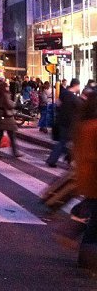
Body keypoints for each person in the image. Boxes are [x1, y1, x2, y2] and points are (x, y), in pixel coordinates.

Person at [72, 92, 97, 270]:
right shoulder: (94, 127)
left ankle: (86, 257)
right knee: (94, 223)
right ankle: (87, 258)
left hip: (87, 179)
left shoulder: (82, 124)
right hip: (94, 177)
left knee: (93, 218)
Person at [46, 78, 82, 167]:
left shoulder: (63, 94)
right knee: (64, 142)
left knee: (68, 142)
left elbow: (57, 105)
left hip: (61, 121)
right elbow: (81, 108)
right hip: (69, 124)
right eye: (78, 86)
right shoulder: (74, 98)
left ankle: (69, 158)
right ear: (75, 85)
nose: (79, 88)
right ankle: (52, 160)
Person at [0, 81, 22, 158]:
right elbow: (9, 104)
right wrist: (15, 104)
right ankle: (15, 152)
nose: (8, 87)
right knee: (12, 134)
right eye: (7, 86)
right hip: (6, 116)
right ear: (4, 87)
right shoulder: (5, 94)